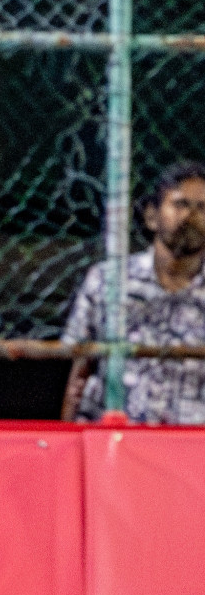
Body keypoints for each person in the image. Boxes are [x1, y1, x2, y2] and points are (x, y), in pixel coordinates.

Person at [62, 161, 205, 424]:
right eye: (180, 204)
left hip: (193, 446)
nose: (191, 216)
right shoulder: (108, 280)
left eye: (202, 208)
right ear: (152, 216)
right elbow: (78, 378)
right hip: (115, 437)